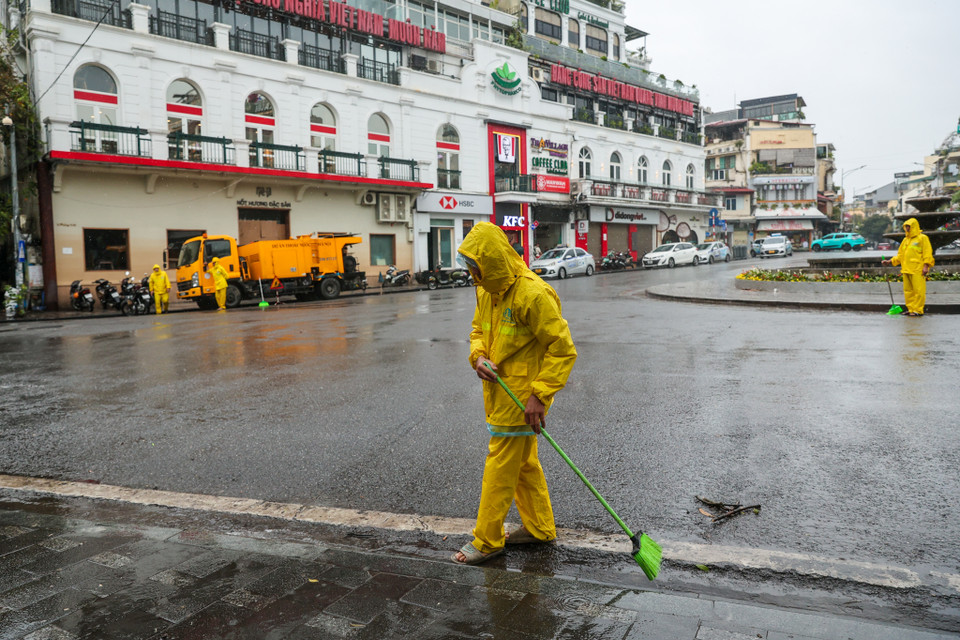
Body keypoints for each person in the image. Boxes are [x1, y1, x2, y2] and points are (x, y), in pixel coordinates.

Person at [451, 222, 577, 565]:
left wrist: (540, 395)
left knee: (501, 467)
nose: (470, 273)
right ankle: (539, 528)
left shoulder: (533, 294)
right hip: (497, 394)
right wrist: (478, 357)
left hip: (521, 401)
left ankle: (488, 540)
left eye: (474, 266)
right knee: (523, 465)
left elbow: (562, 349)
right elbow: (478, 330)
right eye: (468, 266)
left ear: (490, 261)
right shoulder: (486, 288)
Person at [882, 217, 934, 317]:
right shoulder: (905, 240)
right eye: (906, 227)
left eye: (909, 227)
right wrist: (889, 261)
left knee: (918, 291)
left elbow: (927, 253)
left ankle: (918, 310)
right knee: (908, 291)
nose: (907, 229)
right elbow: (900, 255)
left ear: (914, 226)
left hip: (917, 269)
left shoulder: (922, 238)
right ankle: (911, 309)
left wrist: (926, 266)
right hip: (906, 269)